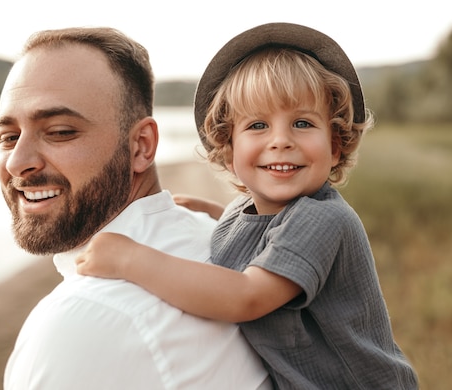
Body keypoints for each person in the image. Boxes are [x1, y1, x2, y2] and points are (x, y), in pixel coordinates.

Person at [77, 23, 419, 389]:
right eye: (258, 125)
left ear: (335, 145)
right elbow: (255, 228)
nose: (281, 141)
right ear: (229, 148)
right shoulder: (247, 210)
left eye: (302, 123)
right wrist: (211, 212)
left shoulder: (324, 218)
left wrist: (129, 258)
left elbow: (247, 296)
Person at [0, 26, 271, 389]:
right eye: (9, 137)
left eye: (60, 131)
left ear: (141, 146)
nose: (17, 162)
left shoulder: (79, 324)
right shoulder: (221, 243)